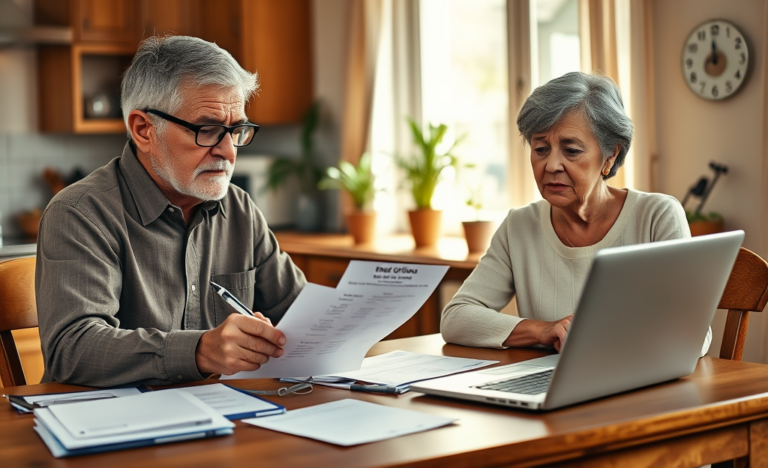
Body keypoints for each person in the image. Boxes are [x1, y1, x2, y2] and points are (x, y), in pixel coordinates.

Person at [35, 36, 306, 387]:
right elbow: (72, 349)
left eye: (236, 130)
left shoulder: (239, 208)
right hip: (108, 427)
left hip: (220, 418)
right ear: (144, 130)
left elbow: (300, 316)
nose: (228, 150)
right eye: (207, 130)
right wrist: (200, 350)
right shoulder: (79, 213)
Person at [441, 71, 712, 355]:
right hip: (549, 388)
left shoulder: (656, 217)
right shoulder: (519, 226)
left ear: (609, 156)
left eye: (570, 150)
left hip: (640, 386)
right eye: (541, 149)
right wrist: (543, 330)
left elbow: (694, 333)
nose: (551, 165)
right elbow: (457, 317)